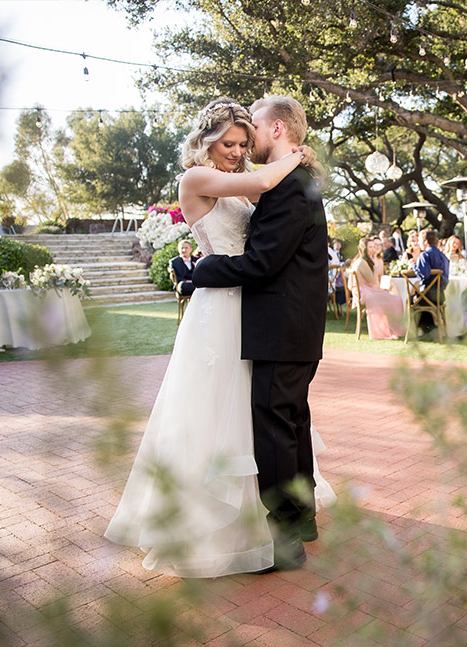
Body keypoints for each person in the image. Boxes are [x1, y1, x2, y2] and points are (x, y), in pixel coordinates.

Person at [105, 98, 335, 577]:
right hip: (223, 308)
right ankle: (228, 522)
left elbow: (269, 222)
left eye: (243, 142)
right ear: (206, 142)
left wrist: (290, 158)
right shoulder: (199, 178)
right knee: (229, 413)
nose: (236, 150)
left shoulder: (266, 184)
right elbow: (260, 184)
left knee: (264, 420)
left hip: (251, 308)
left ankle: (272, 523)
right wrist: (296, 154)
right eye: (228, 143)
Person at [350, 237, 406, 339]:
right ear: (364, 248)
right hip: (365, 293)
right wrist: (375, 267)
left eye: (373, 247)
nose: (372, 249)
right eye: (370, 247)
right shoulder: (362, 262)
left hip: (368, 290)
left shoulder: (364, 261)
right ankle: (390, 330)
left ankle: (392, 328)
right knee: (396, 299)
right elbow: (374, 282)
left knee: (393, 297)